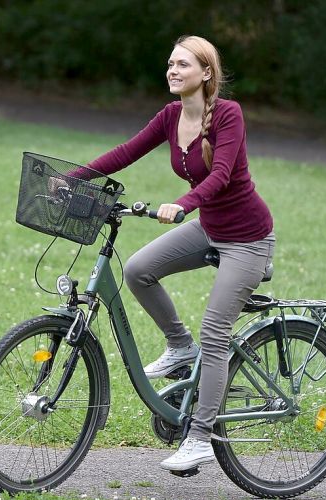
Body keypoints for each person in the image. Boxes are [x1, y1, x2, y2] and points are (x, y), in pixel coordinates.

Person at [83, 35, 275, 472]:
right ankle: (178, 346)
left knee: (215, 330)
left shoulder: (228, 115)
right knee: (138, 269)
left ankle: (202, 436)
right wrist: (73, 179)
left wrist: (183, 204)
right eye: (170, 63)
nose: (172, 70)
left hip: (247, 239)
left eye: (183, 64)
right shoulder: (171, 116)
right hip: (209, 229)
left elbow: (222, 174)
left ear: (206, 73)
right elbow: (124, 153)